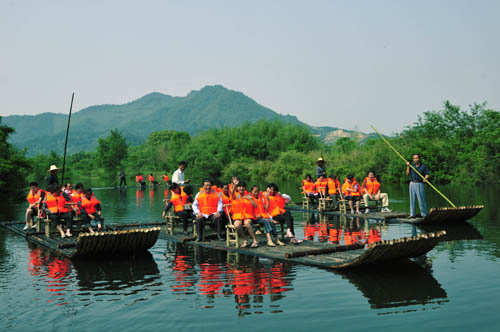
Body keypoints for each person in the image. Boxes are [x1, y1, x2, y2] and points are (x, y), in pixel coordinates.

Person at [231, 182, 259, 248]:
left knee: (247, 223)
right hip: (238, 216)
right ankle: (245, 240)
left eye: (243, 187)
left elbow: (255, 206)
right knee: (237, 225)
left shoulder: (249, 195)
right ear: (237, 188)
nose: (241, 188)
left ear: (245, 188)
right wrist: (235, 184)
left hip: (248, 216)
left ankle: (255, 241)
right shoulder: (235, 195)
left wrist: (250, 199)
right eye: (239, 187)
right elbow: (232, 192)